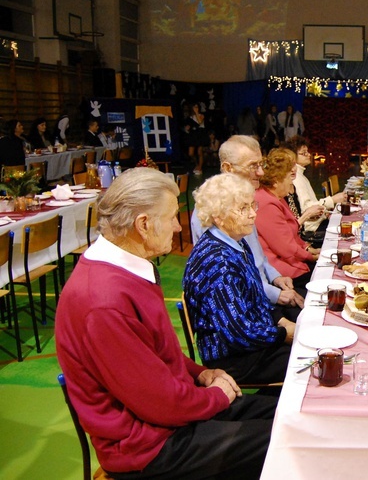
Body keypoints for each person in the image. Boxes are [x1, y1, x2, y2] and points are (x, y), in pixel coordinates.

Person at [55, 168, 277, 479]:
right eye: (173, 216)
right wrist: (215, 396)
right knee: (286, 441)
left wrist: (202, 373)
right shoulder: (102, 301)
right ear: (143, 224)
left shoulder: (127, 269)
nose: (177, 226)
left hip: (172, 417)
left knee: (286, 414)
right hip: (150, 447)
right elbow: (160, 404)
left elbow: (158, 356)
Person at [185, 173, 294, 385]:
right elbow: (238, 333)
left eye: (253, 205)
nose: (253, 214)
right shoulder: (217, 262)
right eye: (243, 209)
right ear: (218, 216)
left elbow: (255, 298)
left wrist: (281, 321)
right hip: (234, 357)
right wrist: (284, 333)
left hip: (254, 339)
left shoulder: (236, 241)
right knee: (309, 360)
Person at [191, 135, 305, 322]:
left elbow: (258, 257)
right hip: (247, 307)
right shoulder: (212, 208)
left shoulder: (245, 200)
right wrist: (275, 295)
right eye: (253, 166)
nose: (260, 172)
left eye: (261, 164)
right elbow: (232, 280)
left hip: (264, 293)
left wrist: (276, 277)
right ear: (228, 168)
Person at [255, 147, 319, 287]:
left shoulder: (277, 197)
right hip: (282, 271)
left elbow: (292, 235)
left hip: (292, 261)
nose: (292, 183)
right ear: (276, 181)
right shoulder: (266, 203)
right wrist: (311, 257)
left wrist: (308, 248)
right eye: (289, 178)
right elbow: (285, 247)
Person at [287, 136, 342, 237]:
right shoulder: (296, 178)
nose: (308, 155)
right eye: (304, 153)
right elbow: (306, 208)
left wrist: (325, 212)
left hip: (317, 222)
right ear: (292, 157)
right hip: (312, 229)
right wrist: (332, 200)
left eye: (307, 152)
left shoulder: (300, 175)